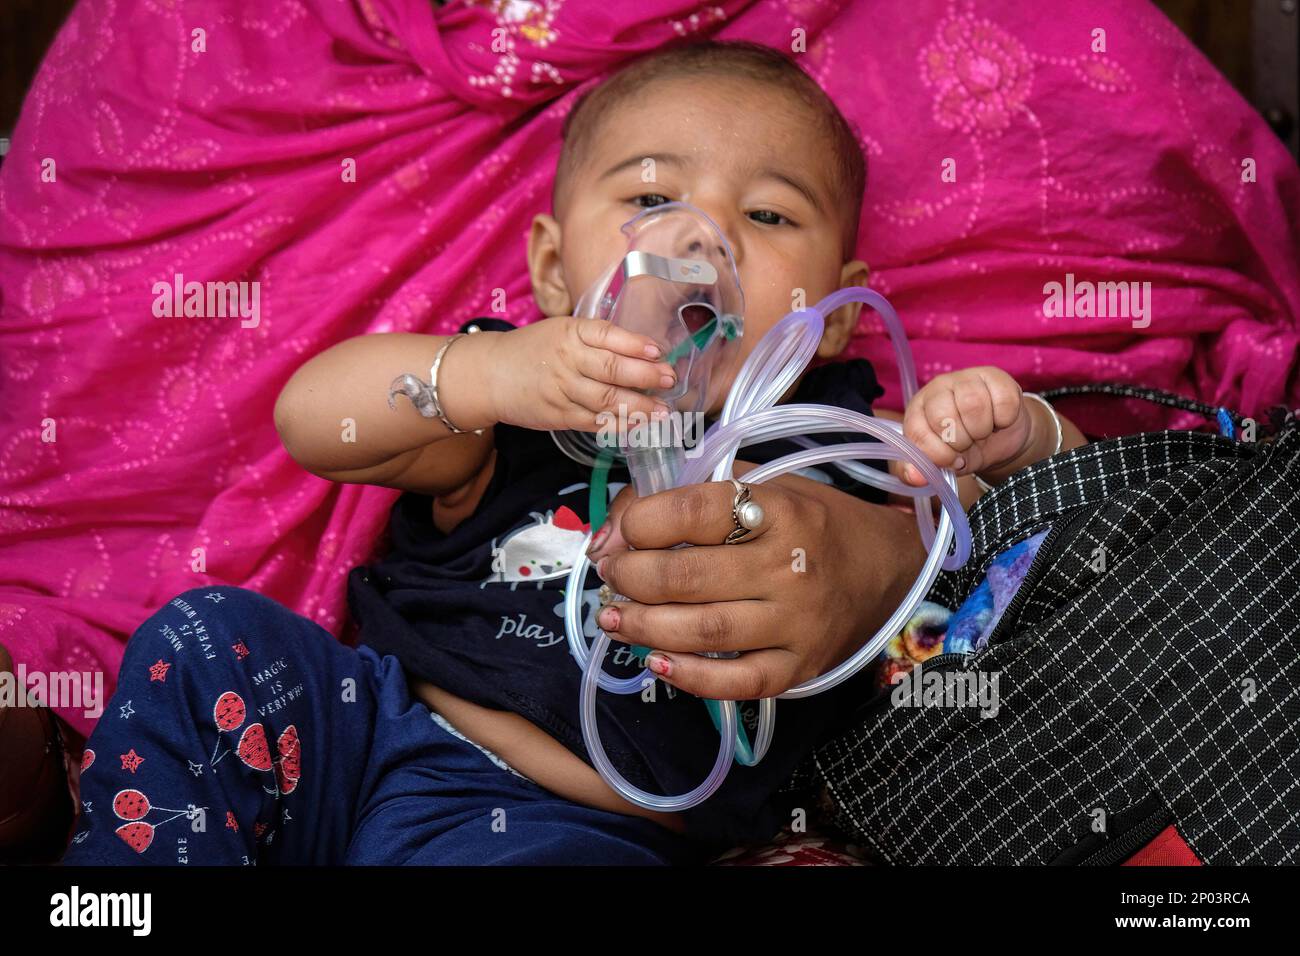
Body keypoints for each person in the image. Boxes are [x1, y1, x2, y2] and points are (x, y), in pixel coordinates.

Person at [61, 40, 1084, 865]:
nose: (700, 239)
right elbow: (311, 420)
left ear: (829, 315)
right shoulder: (516, 397)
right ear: (554, 267)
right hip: (362, 732)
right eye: (648, 198)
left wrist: (1016, 435)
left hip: (585, 825)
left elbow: (1054, 537)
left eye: (767, 215)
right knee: (206, 639)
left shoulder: (842, 442)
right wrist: (485, 376)